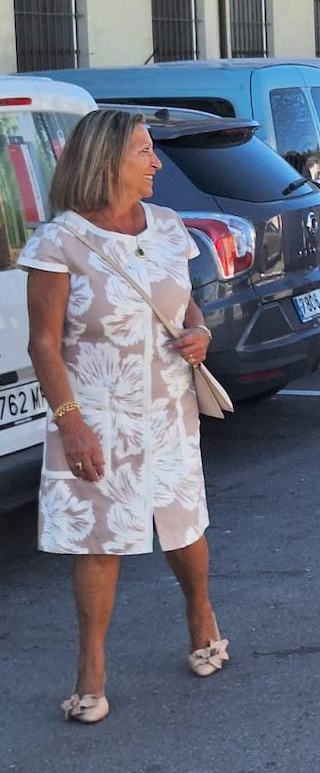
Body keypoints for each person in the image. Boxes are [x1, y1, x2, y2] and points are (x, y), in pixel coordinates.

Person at [20, 110, 223, 725]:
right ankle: (91, 667)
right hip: (97, 412)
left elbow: (183, 303)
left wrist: (199, 332)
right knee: (97, 542)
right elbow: (44, 344)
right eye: (145, 151)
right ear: (107, 161)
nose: (156, 161)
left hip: (167, 407)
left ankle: (200, 613)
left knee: (184, 524)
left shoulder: (165, 226)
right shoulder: (58, 241)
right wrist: (70, 423)